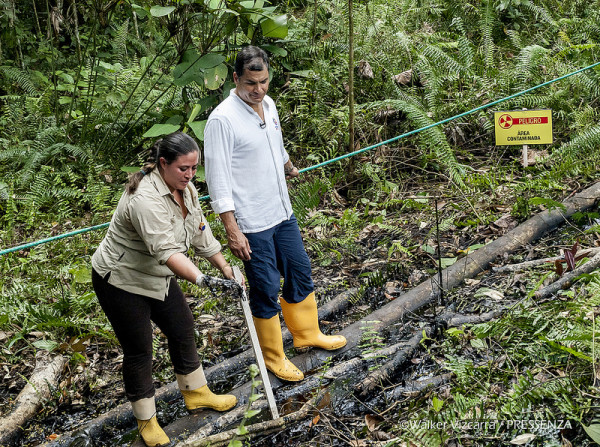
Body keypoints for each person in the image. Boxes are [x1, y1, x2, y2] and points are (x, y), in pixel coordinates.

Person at [204, 45, 346, 383]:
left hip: (281, 211)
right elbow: (218, 180)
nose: (258, 89)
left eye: (264, 81)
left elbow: (275, 143)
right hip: (251, 221)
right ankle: (273, 356)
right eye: (251, 83)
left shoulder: (268, 104)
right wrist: (232, 230)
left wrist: (288, 165)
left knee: (300, 269)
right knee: (266, 286)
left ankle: (307, 333)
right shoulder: (222, 120)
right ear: (236, 78)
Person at [91, 132, 238, 447]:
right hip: (121, 279)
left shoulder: (185, 190)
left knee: (183, 327)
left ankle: (196, 393)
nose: (190, 175)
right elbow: (168, 253)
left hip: (156, 275)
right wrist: (203, 280)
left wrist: (226, 269)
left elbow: (199, 233)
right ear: (163, 164)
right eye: (183, 168)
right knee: (140, 349)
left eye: (194, 168)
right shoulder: (144, 199)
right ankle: (146, 420)